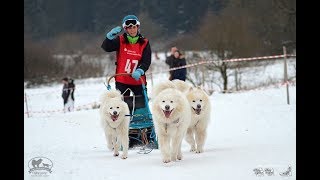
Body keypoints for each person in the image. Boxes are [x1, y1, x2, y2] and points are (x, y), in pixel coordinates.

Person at [101, 14, 151, 99]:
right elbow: (107, 48)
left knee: (141, 107)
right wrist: (108, 38)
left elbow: (146, 61)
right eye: (129, 28)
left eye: (134, 27)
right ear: (126, 29)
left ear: (137, 27)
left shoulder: (144, 42)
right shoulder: (120, 40)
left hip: (138, 80)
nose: (132, 30)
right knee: (122, 108)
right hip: (122, 80)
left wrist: (140, 70)